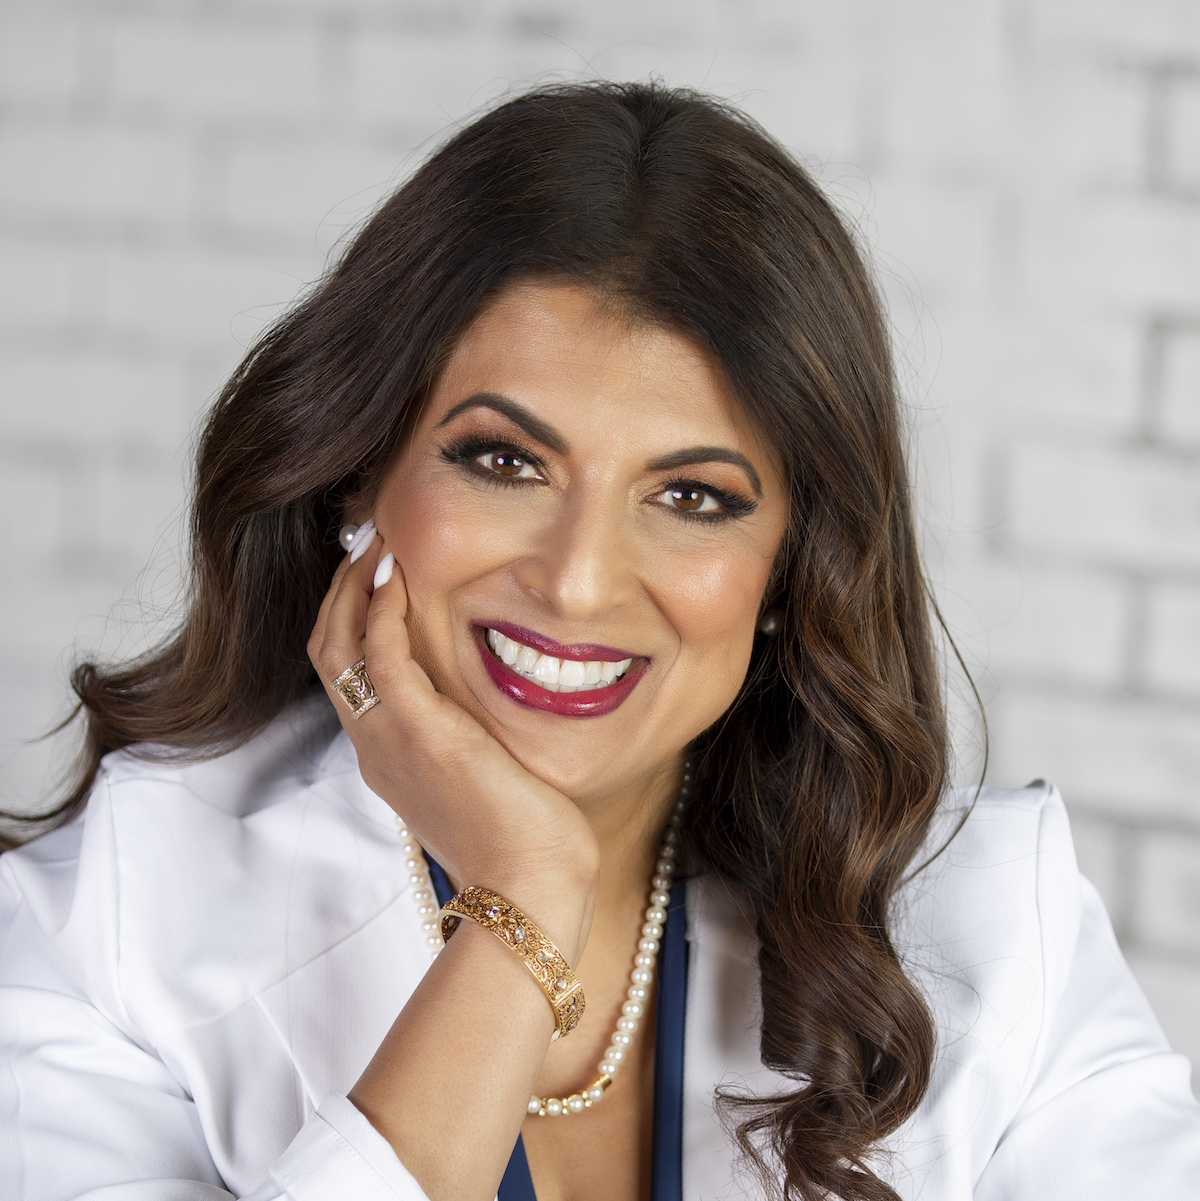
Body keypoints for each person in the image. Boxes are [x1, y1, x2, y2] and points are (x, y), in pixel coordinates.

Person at [1, 81, 1198, 1201]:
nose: (576, 584)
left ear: (791, 566)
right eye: (503, 461)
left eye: (693, 498)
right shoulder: (114, 926)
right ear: (363, 469)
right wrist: (524, 905)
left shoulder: (997, 924)